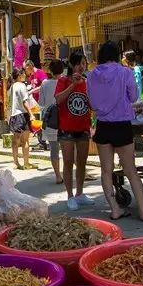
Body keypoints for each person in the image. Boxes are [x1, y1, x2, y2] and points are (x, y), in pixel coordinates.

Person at [88, 42, 143, 222]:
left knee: (107, 171)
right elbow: (134, 97)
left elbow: (92, 103)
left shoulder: (91, 75)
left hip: (103, 125)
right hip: (122, 125)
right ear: (116, 55)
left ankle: (115, 209)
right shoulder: (125, 72)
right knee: (131, 171)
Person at [55, 53, 93, 210]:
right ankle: (70, 196)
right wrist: (72, 85)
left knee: (82, 163)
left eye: (83, 63)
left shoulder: (87, 83)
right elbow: (58, 99)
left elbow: (92, 103)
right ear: (71, 65)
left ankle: (80, 193)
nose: (81, 66)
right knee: (68, 162)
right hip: (67, 129)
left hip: (83, 127)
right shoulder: (63, 80)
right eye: (78, 63)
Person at [37, 61, 64, 183]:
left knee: (54, 149)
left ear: (51, 71)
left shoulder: (45, 83)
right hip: (65, 118)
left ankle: (58, 176)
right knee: (70, 148)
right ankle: (78, 173)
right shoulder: (66, 81)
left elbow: (41, 104)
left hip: (51, 119)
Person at [8, 69, 36, 171]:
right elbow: (25, 102)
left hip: (14, 115)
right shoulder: (22, 86)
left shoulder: (12, 87)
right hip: (23, 115)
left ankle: (16, 162)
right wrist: (31, 114)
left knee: (15, 141)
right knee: (25, 140)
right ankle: (26, 162)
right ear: (20, 75)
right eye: (23, 74)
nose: (25, 75)